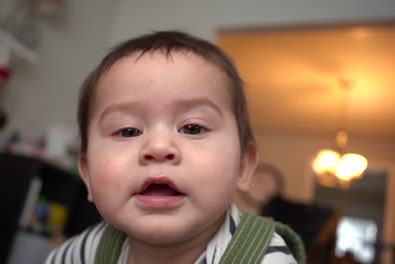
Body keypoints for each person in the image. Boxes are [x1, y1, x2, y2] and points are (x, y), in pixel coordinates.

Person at [45, 31, 305, 264]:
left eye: (193, 128)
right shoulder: (87, 251)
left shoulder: (266, 259)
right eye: (128, 131)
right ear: (88, 175)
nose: (158, 147)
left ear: (243, 167)